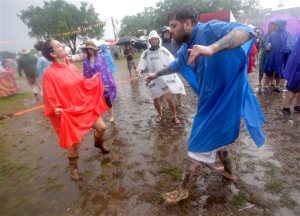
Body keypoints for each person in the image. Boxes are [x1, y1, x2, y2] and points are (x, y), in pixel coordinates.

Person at [145, 5, 265, 204]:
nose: (171, 31)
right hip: (209, 102)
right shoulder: (186, 48)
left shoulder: (210, 29)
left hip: (223, 101)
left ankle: (184, 190)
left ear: (188, 23)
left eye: (174, 26)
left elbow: (245, 32)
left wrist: (212, 48)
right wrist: (156, 74)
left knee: (196, 146)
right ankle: (229, 173)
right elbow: (176, 65)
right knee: (219, 142)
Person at [41, 39, 109, 181]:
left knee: (102, 128)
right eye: (59, 45)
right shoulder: (49, 73)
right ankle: (73, 168)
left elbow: (82, 83)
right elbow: (49, 94)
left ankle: (98, 143)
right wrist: (56, 107)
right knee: (74, 143)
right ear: (53, 53)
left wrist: (93, 80)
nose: (62, 46)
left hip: (84, 106)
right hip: (70, 112)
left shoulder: (71, 67)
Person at [138, 30, 185, 124]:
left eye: (156, 39)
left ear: (158, 40)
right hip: (152, 78)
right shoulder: (146, 53)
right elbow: (141, 64)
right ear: (149, 41)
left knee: (169, 98)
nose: (154, 41)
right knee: (156, 99)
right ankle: (160, 114)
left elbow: (171, 60)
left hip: (164, 77)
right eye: (152, 40)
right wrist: (139, 69)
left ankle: (174, 116)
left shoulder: (163, 50)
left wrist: (175, 69)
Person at [83, 41, 117, 123]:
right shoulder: (85, 60)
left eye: (91, 49)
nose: (90, 51)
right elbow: (85, 72)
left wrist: (110, 81)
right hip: (93, 84)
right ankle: (99, 118)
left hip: (103, 82)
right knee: (95, 101)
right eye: (88, 49)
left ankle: (111, 116)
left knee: (107, 99)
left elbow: (106, 70)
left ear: (94, 49)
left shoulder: (101, 57)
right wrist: (87, 83)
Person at [264, 20, 293, 93]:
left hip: (281, 57)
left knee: (279, 72)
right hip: (271, 56)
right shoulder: (273, 34)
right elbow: (268, 42)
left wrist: (283, 50)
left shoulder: (287, 34)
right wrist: (267, 45)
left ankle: (277, 86)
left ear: (281, 25)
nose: (275, 26)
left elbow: (289, 46)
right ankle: (266, 86)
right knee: (269, 71)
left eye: (276, 25)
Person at [161, 26, 187, 107]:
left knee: (178, 84)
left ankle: (179, 101)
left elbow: (181, 49)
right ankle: (165, 103)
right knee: (164, 86)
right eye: (165, 33)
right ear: (163, 34)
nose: (166, 34)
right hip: (165, 67)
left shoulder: (175, 41)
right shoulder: (160, 44)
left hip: (175, 66)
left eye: (168, 32)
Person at [281, 33, 300, 120]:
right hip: (297, 65)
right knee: (292, 87)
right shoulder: (297, 36)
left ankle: (297, 106)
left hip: (296, 63)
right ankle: (286, 108)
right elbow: (288, 48)